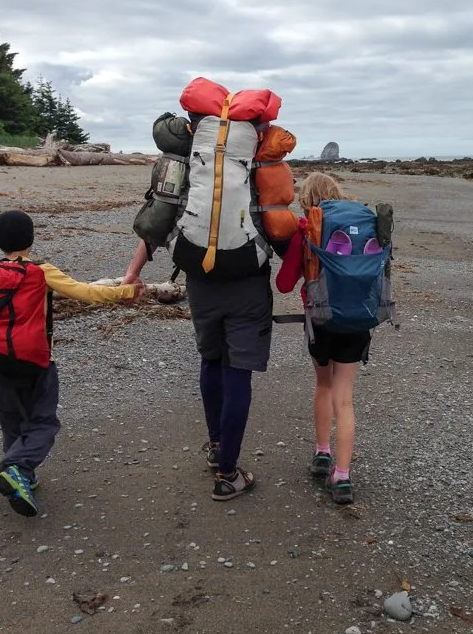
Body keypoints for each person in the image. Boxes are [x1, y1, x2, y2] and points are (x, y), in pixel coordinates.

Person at [0, 210, 142, 517]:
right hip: (36, 365)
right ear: (31, 240)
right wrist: (126, 290)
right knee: (44, 425)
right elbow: (86, 293)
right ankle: (17, 469)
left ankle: (23, 476)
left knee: (13, 425)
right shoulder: (40, 271)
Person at [123, 239, 271, 501]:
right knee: (238, 369)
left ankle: (216, 446)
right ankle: (227, 475)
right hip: (249, 288)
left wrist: (133, 273)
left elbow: (155, 223)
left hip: (202, 284)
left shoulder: (190, 193)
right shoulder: (259, 193)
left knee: (211, 358)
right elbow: (281, 231)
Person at [275, 172, 371, 505]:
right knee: (345, 398)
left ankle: (321, 453)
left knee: (323, 386)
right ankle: (342, 478)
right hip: (359, 320)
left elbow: (285, 284)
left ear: (306, 199)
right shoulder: (364, 224)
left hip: (321, 321)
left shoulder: (306, 230)